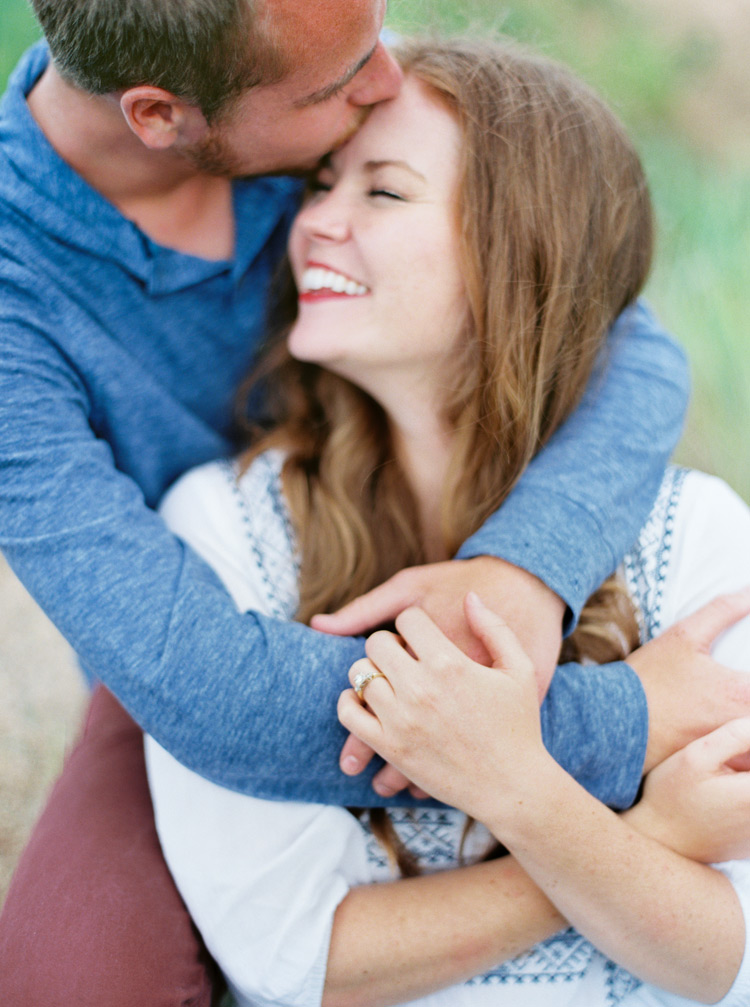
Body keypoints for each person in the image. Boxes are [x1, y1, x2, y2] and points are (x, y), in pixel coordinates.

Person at [0, 1, 742, 1002]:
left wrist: (522, 568)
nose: (385, 76)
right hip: (188, 640)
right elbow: (219, 698)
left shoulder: (326, 70)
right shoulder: (23, 292)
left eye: (374, 35)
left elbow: (618, 330)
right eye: (338, 84)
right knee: (71, 976)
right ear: (161, 115)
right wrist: (615, 725)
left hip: (462, 532)